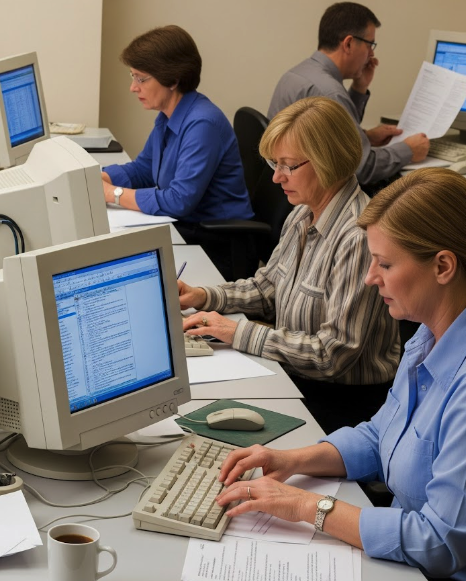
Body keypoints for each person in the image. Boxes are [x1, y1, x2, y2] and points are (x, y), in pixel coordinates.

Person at [214, 168, 466, 581]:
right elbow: (380, 436)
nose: (371, 277)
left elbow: (440, 542)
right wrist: (293, 460)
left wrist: (305, 506)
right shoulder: (429, 335)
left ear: (443, 266)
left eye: (385, 264)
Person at [178, 97, 399, 433]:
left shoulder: (358, 237)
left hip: (343, 405)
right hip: (300, 378)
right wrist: (203, 296)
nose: (276, 178)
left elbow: (331, 355)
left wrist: (239, 332)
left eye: (288, 165)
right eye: (274, 164)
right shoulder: (303, 212)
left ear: (328, 160)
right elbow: (268, 288)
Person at [101, 25, 254, 280]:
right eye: (132, 76)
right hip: (189, 230)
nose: (133, 87)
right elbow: (143, 169)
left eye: (141, 78)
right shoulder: (168, 115)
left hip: (218, 245)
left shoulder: (202, 123)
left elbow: (179, 200)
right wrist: (103, 178)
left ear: (172, 79)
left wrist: (114, 195)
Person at [268, 2, 429, 188]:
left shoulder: (299, 73)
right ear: (349, 43)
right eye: (370, 45)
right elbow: (361, 169)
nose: (371, 54)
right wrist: (408, 150)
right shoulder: (328, 92)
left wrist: (360, 90)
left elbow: (329, 138)